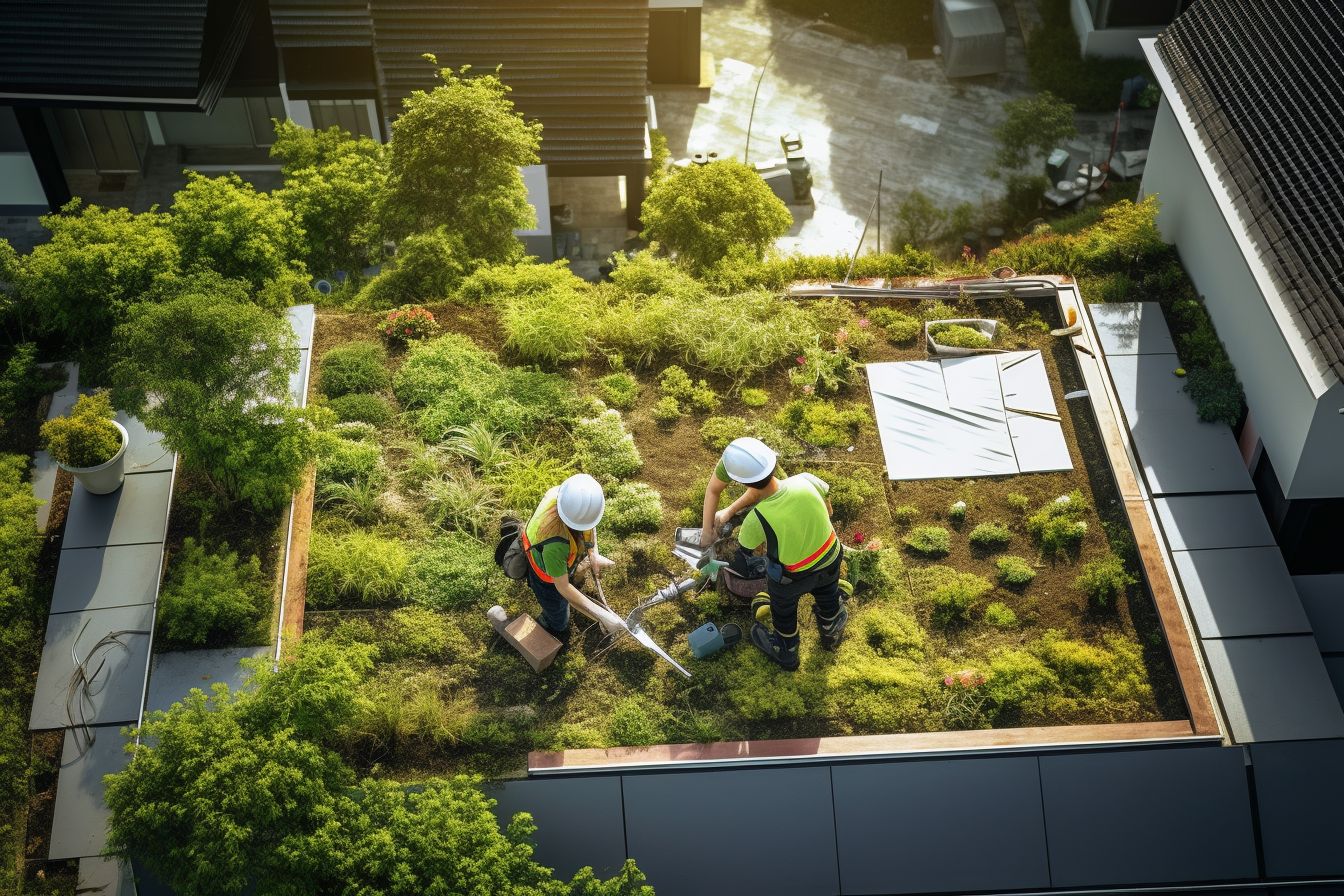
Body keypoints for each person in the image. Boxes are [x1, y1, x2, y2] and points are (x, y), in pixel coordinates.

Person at [737, 466, 847, 671]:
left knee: (783, 611)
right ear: (772, 467)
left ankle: (786, 650)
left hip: (792, 578)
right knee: (828, 593)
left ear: (745, 485)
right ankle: (831, 629)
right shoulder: (807, 479)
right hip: (830, 557)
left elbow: (746, 548)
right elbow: (829, 511)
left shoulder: (757, 518)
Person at [521, 473, 624, 641]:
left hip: (559, 561)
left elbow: (588, 525)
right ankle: (551, 626)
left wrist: (593, 554)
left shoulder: (564, 497)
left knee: (569, 574)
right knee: (558, 613)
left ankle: (573, 577)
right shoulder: (555, 545)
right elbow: (562, 587)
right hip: (545, 577)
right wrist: (602, 616)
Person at [699, 437, 786, 548]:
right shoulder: (731, 460)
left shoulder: (765, 472)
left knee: (763, 534)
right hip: (763, 488)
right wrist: (706, 531)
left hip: (779, 497)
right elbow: (713, 490)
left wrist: (730, 510)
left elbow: (756, 493)